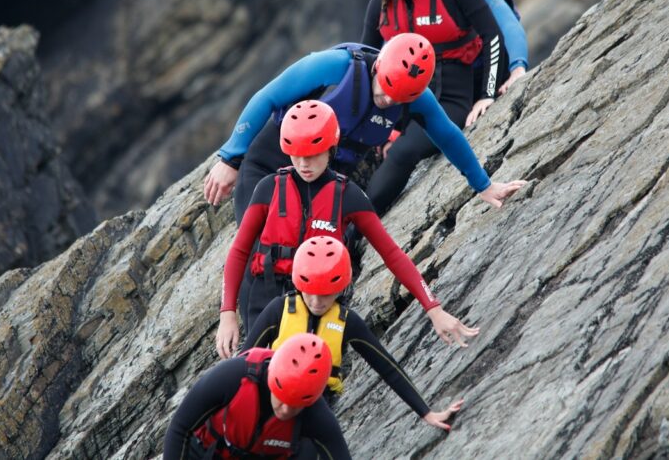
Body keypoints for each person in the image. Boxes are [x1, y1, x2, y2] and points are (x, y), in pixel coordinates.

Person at [216, 100, 478, 350]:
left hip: (318, 301)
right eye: (296, 154)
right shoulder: (268, 188)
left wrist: (433, 308)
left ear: (330, 148)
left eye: (313, 154)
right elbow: (239, 252)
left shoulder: (348, 196)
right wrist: (227, 314)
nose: (304, 164)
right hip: (264, 296)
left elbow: (392, 254)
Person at [203, 32, 525, 220]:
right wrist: (231, 158)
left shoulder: (415, 99)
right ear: (379, 65)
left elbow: (449, 137)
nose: (385, 99)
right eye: (383, 88)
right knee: (260, 244)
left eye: (395, 98)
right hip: (273, 158)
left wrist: (484, 186)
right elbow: (267, 97)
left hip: (324, 177)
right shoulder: (336, 66)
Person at [244, 236, 467, 431]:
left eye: (325, 294)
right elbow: (243, 361)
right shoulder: (279, 309)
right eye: (310, 292)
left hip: (314, 407)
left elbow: (387, 367)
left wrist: (426, 412)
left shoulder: (347, 321)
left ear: (341, 287)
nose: (316, 302)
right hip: (271, 396)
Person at [360, 0, 507, 213]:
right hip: (402, 98)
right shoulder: (380, 2)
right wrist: (383, 126)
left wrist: (487, 94)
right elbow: (367, 63)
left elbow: (493, 35)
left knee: (404, 151)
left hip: (452, 96)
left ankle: (355, 226)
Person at [163, 332, 350, 459]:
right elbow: (180, 428)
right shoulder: (233, 375)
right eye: (282, 397)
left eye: (295, 405)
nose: (285, 410)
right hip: (206, 453)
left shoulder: (317, 416)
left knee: (309, 452)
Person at [426, 0, 529, 97]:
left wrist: (517, 68)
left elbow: (507, 23)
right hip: (452, 78)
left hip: (495, 63)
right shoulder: (404, 0)